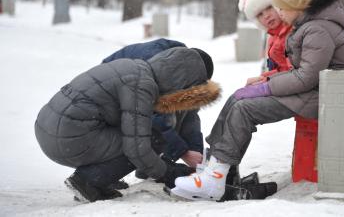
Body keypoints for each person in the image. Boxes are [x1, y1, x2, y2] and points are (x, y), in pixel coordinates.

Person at [171, 0, 344, 201]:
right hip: (312, 92)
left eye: (281, 8)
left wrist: (268, 86)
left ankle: (214, 179)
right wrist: (267, 81)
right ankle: (216, 170)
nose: (277, 13)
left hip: (320, 96)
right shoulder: (309, 26)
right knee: (238, 100)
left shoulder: (317, 29)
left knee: (244, 109)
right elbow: (304, 72)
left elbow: (306, 77)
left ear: (296, 4)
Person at [34, 47, 220, 202]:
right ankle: (88, 181)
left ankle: (99, 179)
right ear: (184, 80)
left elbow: (188, 116)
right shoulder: (142, 85)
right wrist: (169, 172)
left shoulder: (136, 67)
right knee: (152, 139)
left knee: (141, 133)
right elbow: (137, 149)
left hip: (49, 128)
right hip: (68, 137)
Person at [102, 39, 205, 181]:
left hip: (129, 93)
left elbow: (190, 114)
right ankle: (100, 177)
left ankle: (150, 165)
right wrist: (184, 153)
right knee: (143, 130)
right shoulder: (158, 64)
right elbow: (152, 118)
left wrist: (196, 153)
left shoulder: (181, 65)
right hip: (108, 97)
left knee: (177, 110)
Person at [238, 0, 293, 86]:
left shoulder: (291, 32)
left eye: (269, 8)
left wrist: (266, 82)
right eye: (260, 14)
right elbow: (281, 70)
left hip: (293, 90)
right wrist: (263, 78)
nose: (266, 16)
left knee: (242, 100)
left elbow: (293, 73)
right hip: (283, 86)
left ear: (279, 5)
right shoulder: (273, 38)